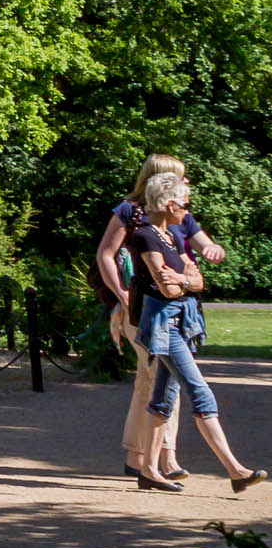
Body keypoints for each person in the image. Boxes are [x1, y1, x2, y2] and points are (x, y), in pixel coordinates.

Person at [128, 168, 264, 495]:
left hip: (181, 322)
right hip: (163, 325)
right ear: (170, 205)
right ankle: (236, 470)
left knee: (164, 397)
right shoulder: (145, 235)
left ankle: (148, 470)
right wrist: (184, 282)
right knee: (199, 390)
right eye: (185, 205)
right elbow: (165, 288)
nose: (188, 211)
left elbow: (196, 283)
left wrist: (185, 281)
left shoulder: (172, 237)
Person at [98, 151, 228, 483]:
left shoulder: (180, 216)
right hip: (144, 308)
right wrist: (123, 296)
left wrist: (210, 253)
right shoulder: (131, 212)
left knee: (155, 379)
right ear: (161, 178)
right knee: (160, 376)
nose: (187, 182)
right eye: (181, 176)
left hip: (179, 309)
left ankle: (145, 458)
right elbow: (106, 255)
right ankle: (158, 459)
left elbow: (204, 248)